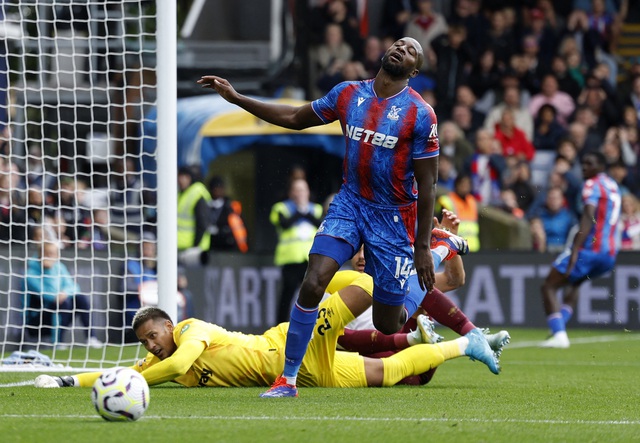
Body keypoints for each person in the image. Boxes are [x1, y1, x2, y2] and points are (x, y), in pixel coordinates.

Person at [197, 37, 466, 398]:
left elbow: (428, 183)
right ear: (387, 53)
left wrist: (422, 248)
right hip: (350, 204)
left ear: (414, 71)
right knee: (314, 280)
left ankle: (440, 249)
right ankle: (288, 380)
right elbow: (294, 117)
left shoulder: (421, 114)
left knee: (389, 324)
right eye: (399, 43)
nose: (402, 48)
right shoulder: (348, 94)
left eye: (412, 50)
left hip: (394, 218)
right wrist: (237, 98)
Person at [35, 268, 502, 392]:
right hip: (296, 375)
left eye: (152, 336)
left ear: (169, 325)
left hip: (287, 344)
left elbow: (177, 362)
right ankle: (468, 343)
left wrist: (138, 378)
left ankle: (399, 280)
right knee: (389, 375)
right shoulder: (155, 363)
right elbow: (118, 373)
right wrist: (67, 379)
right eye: (145, 345)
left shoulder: (191, 331)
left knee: (362, 283)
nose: (150, 347)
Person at [540, 151, 620, 348]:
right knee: (574, 284)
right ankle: (559, 329)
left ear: (600, 166)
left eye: (589, 163)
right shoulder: (612, 185)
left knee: (548, 285)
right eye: (583, 163)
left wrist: (575, 248)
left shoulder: (591, 184)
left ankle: (559, 334)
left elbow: (588, 217)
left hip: (590, 249)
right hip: (609, 253)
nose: (584, 167)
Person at [24, 240, 103, 348]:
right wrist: (48, 271)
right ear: (40, 254)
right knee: (63, 303)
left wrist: (65, 292)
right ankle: (58, 342)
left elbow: (75, 287)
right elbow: (49, 296)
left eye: (53, 254)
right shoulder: (30, 274)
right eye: (47, 253)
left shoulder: (60, 267)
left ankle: (91, 338)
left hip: (60, 311)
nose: (50, 257)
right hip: (37, 320)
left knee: (80, 299)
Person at [270, 177, 324, 324]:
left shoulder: (316, 209)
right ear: (291, 192)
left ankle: (314, 324)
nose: (300, 193)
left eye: (303, 190)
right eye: (297, 190)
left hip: (310, 260)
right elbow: (284, 224)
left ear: (308, 192)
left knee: (313, 294)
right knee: (286, 296)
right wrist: (300, 212)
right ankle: (279, 326)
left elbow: (320, 223)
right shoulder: (281, 208)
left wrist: (305, 212)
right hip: (290, 259)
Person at [176, 166, 211, 265]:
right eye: (180, 176)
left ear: (190, 178)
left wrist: (195, 246)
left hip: (194, 250)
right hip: (181, 247)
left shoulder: (196, 193)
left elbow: (202, 223)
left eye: (184, 177)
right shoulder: (181, 194)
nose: (180, 180)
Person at [206, 176, 248, 254]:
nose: (218, 191)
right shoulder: (207, 206)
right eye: (216, 188)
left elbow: (240, 228)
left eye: (220, 188)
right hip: (211, 247)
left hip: (229, 247)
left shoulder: (231, 206)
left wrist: (221, 231)